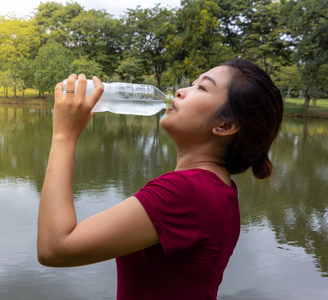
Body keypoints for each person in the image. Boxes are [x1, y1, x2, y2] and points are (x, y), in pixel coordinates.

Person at [37, 59, 283, 299]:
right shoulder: (217, 188)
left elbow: (55, 248)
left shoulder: (187, 191)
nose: (181, 91)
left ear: (225, 125)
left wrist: (63, 136)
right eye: (193, 82)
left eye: (201, 87)